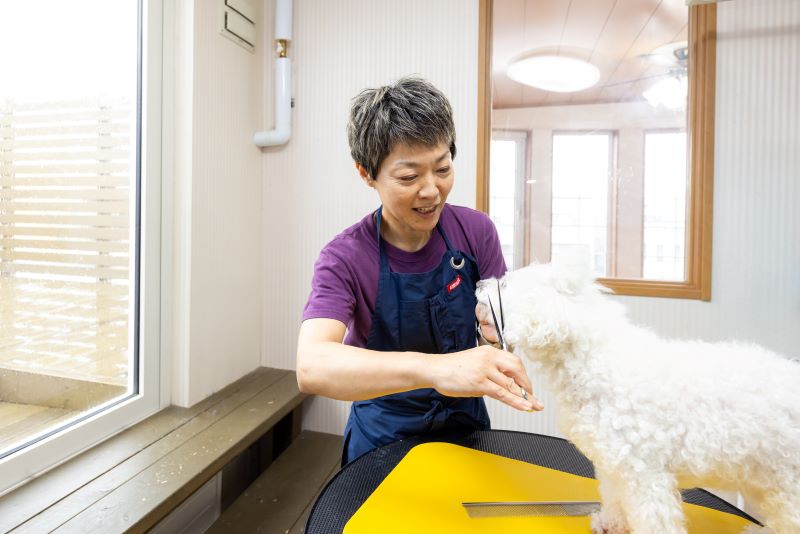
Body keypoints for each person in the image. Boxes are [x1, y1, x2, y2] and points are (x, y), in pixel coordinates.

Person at [296, 76, 543, 465]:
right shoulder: (344, 257)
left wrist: (497, 337)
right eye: (409, 177)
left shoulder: (476, 232)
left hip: (466, 429)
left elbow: (494, 329)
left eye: (442, 168)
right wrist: (437, 370)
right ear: (367, 174)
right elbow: (312, 366)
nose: (431, 191)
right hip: (381, 438)